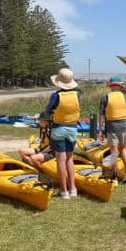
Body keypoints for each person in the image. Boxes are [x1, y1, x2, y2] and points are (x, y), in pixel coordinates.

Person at [45, 69, 80, 198]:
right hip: (73, 129)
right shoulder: (77, 94)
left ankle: (64, 191)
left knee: (60, 161)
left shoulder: (56, 96)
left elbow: (48, 110)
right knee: (69, 159)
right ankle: (73, 189)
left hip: (59, 128)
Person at [98, 76, 126, 182]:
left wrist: (100, 130)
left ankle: (115, 176)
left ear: (110, 86)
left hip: (111, 126)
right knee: (122, 149)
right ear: (119, 86)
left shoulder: (105, 98)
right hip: (123, 126)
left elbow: (101, 116)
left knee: (113, 151)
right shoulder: (125, 98)